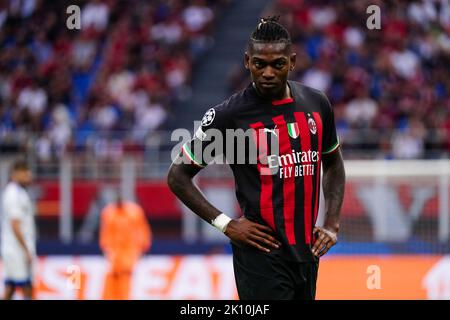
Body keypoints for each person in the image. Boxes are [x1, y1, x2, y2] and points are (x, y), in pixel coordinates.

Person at [167, 16, 346, 300]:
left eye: (278, 64)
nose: (268, 73)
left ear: (293, 61)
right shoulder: (229, 116)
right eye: (260, 64)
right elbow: (178, 176)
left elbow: (333, 164)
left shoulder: (316, 103)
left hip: (307, 253)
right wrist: (226, 224)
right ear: (247, 61)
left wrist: (332, 224)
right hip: (261, 257)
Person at [99, 193, 151, 300]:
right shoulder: (109, 213)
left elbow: (142, 230)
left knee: (125, 275)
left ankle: (124, 297)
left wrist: (143, 246)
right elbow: (106, 232)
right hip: (115, 250)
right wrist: (106, 248)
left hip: (129, 250)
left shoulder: (134, 212)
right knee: (113, 275)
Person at [1, 159, 36, 300]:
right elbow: (15, 225)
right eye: (25, 173)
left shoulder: (19, 192)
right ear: (15, 173)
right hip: (16, 249)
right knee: (27, 287)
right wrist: (26, 249)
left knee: (10, 287)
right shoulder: (13, 194)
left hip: (13, 248)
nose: (29, 176)